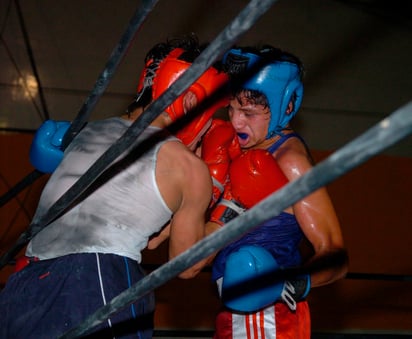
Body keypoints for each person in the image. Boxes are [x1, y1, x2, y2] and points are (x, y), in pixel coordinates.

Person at [0, 34, 229, 339]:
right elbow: (185, 266)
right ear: (192, 99)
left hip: (23, 285)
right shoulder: (186, 167)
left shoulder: (88, 131)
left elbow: (149, 234)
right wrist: (229, 210)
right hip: (96, 282)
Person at [207, 45, 349, 338]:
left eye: (248, 112)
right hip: (235, 311)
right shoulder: (234, 148)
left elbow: (334, 253)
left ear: (286, 107)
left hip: (269, 314)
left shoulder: (289, 161)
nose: (236, 122)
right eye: (231, 109)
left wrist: (293, 284)